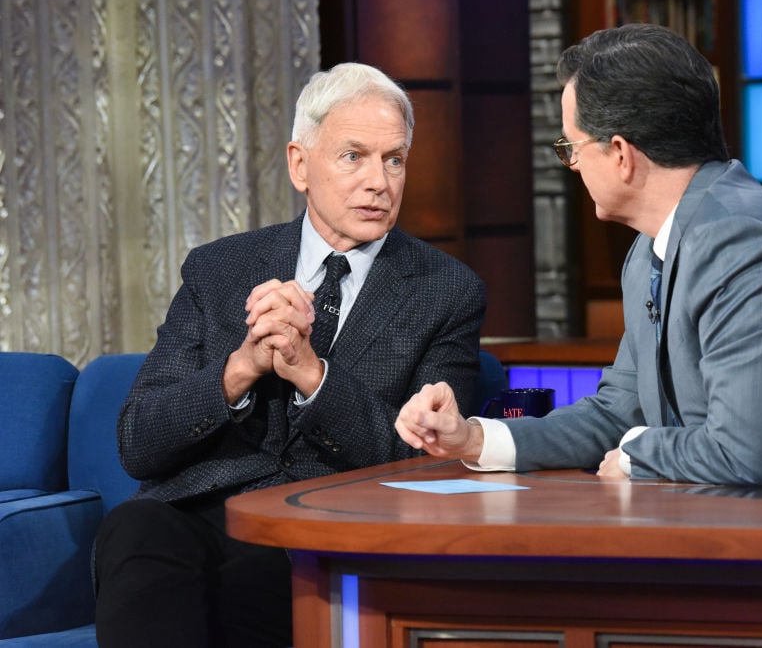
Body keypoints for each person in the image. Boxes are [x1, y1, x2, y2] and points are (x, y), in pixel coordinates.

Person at [395, 23, 762, 486]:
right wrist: (473, 436)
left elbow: (747, 451)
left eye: (571, 148)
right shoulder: (650, 250)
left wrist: (637, 451)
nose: (573, 167)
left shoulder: (738, 239)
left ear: (620, 154)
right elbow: (616, 411)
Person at [93, 62, 486, 648]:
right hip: (202, 510)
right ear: (300, 165)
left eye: (394, 158)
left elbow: (423, 459)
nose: (379, 181)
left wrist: (310, 373)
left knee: (259, 573)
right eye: (354, 156)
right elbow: (138, 441)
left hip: (326, 527)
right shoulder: (218, 268)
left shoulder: (446, 291)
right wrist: (241, 367)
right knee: (135, 527)